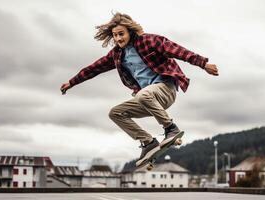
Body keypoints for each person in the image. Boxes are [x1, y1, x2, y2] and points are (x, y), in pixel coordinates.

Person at [60, 12, 219, 166]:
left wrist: (203, 64)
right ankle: (148, 142)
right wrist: (72, 82)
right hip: (148, 100)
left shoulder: (149, 41)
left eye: (121, 34)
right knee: (115, 113)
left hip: (165, 90)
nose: (118, 38)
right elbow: (94, 68)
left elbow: (177, 50)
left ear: (130, 31)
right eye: (115, 35)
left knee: (142, 95)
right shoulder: (117, 55)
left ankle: (171, 129)